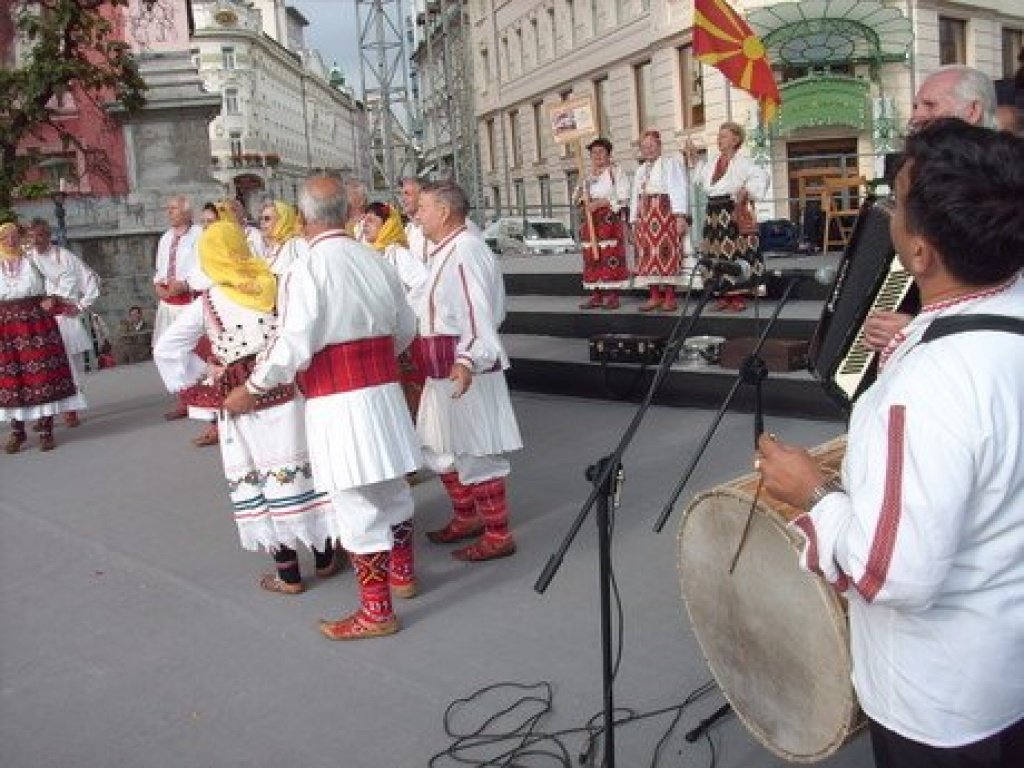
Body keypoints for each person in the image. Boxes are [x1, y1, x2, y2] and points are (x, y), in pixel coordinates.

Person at [756, 120, 1024, 768]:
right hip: (1005, 671)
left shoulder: (929, 386)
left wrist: (812, 493)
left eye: (898, 203)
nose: (887, 213)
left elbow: (891, 571)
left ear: (923, 252)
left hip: (941, 706)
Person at [223, 176, 423, 640]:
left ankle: (377, 612)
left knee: (354, 502)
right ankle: (403, 575)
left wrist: (252, 387)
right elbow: (406, 325)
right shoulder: (374, 258)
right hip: (383, 392)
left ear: (306, 215)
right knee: (392, 490)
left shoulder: (307, 268)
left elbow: (292, 343)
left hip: (339, 401)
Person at [154, 221, 343, 594]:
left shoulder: (207, 302)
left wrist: (206, 371)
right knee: (304, 469)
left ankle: (287, 573)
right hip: (288, 390)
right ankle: (324, 557)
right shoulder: (276, 282)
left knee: (260, 476)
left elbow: (166, 348)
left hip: (240, 400)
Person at [413, 180, 523, 561]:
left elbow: (478, 312)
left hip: (464, 366)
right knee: (437, 446)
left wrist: (468, 359)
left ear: (443, 211)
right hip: (442, 368)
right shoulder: (446, 250)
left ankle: (498, 534)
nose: (417, 214)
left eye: (423, 207)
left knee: (478, 450)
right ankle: (467, 516)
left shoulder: (465, 250)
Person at [865, 65, 999, 350]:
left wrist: (919, 329)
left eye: (930, 105)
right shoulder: (918, 172)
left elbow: (994, 295)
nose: (916, 116)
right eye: (915, 106)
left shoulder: (1002, 186)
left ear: (973, 111)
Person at [0, 221, 85, 452]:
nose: (11, 240)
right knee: (13, 379)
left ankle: (47, 431)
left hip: (36, 324)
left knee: (42, 376)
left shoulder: (32, 259)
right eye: (5, 237)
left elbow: (66, 276)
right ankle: (18, 432)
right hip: (7, 328)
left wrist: (55, 297)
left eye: (14, 236)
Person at [684, 122, 770, 312]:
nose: (719, 139)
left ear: (736, 139)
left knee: (734, 252)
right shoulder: (714, 162)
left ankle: (737, 296)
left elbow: (761, 177)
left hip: (732, 211)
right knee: (715, 253)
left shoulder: (743, 163)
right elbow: (699, 178)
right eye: (719, 135)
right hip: (713, 213)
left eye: (724, 136)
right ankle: (722, 295)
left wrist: (746, 190)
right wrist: (694, 157)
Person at [26, 217, 101, 426]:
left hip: (65, 318)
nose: (37, 240)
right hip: (40, 321)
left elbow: (91, 281)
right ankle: (46, 412)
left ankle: (72, 408)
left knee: (72, 366)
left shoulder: (64, 257)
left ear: (49, 236)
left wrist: (80, 306)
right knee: (42, 367)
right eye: (32, 236)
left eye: (41, 235)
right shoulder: (28, 260)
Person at [362, 201, 429, 421]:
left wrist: (405, 310)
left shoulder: (397, 254)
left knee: (406, 389)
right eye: (365, 219)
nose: (365, 224)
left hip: (401, 335)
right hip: (375, 332)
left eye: (372, 220)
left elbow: (423, 284)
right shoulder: (363, 254)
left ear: (387, 224)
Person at [628, 129, 691, 312]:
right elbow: (635, 197)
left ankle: (670, 297)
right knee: (647, 255)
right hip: (645, 215)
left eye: (652, 145)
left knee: (666, 253)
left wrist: (680, 216)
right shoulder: (640, 170)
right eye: (644, 146)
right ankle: (654, 295)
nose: (648, 150)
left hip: (665, 213)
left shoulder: (670, 164)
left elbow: (679, 189)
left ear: (659, 146)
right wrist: (633, 221)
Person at [152, 194, 202, 420]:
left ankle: (200, 394)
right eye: (168, 208)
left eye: (173, 208)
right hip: (168, 303)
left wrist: (185, 284)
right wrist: (158, 285)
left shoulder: (199, 234)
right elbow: (160, 268)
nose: (169, 212)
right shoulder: (164, 238)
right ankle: (183, 396)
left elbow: (202, 266)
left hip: (188, 300)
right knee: (168, 348)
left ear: (187, 212)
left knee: (193, 349)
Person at [574, 137, 631, 310]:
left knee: (610, 255)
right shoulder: (587, 176)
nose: (597, 156)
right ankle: (596, 295)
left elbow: (623, 196)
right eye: (594, 153)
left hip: (608, 219)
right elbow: (576, 197)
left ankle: (613, 296)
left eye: (601, 152)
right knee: (592, 256)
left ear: (608, 154)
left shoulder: (616, 173)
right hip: (590, 219)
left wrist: (600, 203)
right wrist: (582, 196)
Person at [258, 199, 309, 279]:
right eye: (260, 218)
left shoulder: (297, 244)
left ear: (282, 220)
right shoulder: (271, 248)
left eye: (267, 218)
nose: (262, 222)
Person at [400, 176, 429, 263]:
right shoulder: (407, 230)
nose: (402, 199)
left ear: (421, 196)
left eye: (407, 194)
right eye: (402, 194)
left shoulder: (434, 228)